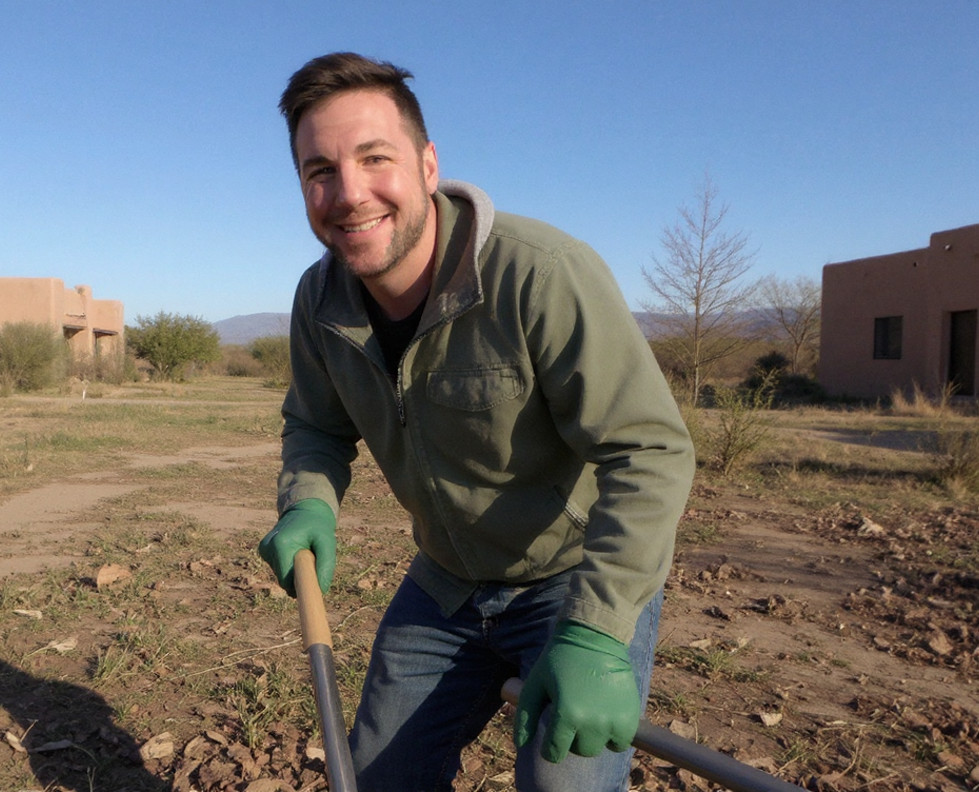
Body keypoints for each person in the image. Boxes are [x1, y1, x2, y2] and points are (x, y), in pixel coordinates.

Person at [258, 52, 694, 792]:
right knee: (377, 780)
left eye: (375, 159)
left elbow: (648, 450)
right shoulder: (319, 300)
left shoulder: (540, 275)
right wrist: (308, 500)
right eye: (319, 171)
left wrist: (595, 631)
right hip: (446, 584)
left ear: (428, 166)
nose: (349, 192)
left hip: (570, 581)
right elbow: (317, 426)